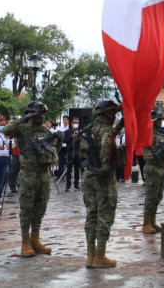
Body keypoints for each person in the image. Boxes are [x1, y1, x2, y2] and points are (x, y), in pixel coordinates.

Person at [3, 101, 61, 257]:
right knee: (27, 209)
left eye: (43, 114)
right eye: (39, 114)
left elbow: (55, 150)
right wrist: (25, 117)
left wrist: (60, 141)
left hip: (44, 174)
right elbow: (7, 129)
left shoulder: (45, 131)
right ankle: (25, 242)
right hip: (28, 174)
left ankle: (35, 240)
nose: (41, 117)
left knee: (40, 208)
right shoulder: (23, 129)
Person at [80, 99, 122, 268]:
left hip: (89, 175)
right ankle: (100, 256)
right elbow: (106, 144)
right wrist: (105, 167)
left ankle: (90, 256)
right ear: (107, 113)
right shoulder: (105, 130)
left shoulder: (89, 129)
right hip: (103, 177)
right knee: (105, 215)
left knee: (91, 215)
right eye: (113, 113)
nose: (114, 116)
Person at [142, 109, 164, 234]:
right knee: (151, 196)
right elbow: (146, 154)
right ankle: (146, 223)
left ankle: (153, 220)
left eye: (161, 120)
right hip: (152, 168)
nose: (160, 122)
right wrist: (158, 154)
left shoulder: (160, 134)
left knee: (158, 196)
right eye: (158, 119)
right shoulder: (148, 134)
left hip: (160, 168)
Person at [63, 117, 81, 192]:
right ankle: (68, 186)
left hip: (77, 153)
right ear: (71, 123)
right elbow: (64, 140)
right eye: (74, 123)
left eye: (77, 123)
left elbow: (83, 142)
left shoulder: (80, 132)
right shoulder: (67, 132)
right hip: (69, 152)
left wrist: (78, 139)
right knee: (69, 170)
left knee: (77, 170)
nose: (75, 124)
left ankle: (76, 185)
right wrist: (71, 137)